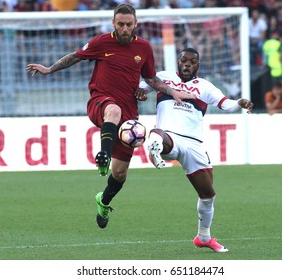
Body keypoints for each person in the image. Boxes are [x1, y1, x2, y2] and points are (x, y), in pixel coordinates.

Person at [26, 3, 194, 229]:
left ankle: (103, 201)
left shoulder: (143, 48)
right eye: (121, 24)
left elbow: (151, 79)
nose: (125, 29)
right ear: (113, 23)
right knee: (112, 110)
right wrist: (49, 69)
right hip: (100, 101)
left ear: (136, 25)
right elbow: (75, 56)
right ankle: (102, 155)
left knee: (120, 173)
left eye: (129, 25)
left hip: (129, 113)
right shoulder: (101, 42)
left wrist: (172, 91)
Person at [140, 48, 253, 252]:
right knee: (158, 134)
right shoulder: (163, 78)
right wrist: (139, 91)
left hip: (194, 144)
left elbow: (224, 103)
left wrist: (239, 102)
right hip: (170, 135)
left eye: (192, 62)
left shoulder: (205, 87)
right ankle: (154, 146)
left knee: (208, 195)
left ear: (197, 66)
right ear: (178, 61)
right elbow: (143, 86)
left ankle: (203, 237)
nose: (187, 65)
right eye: (184, 61)